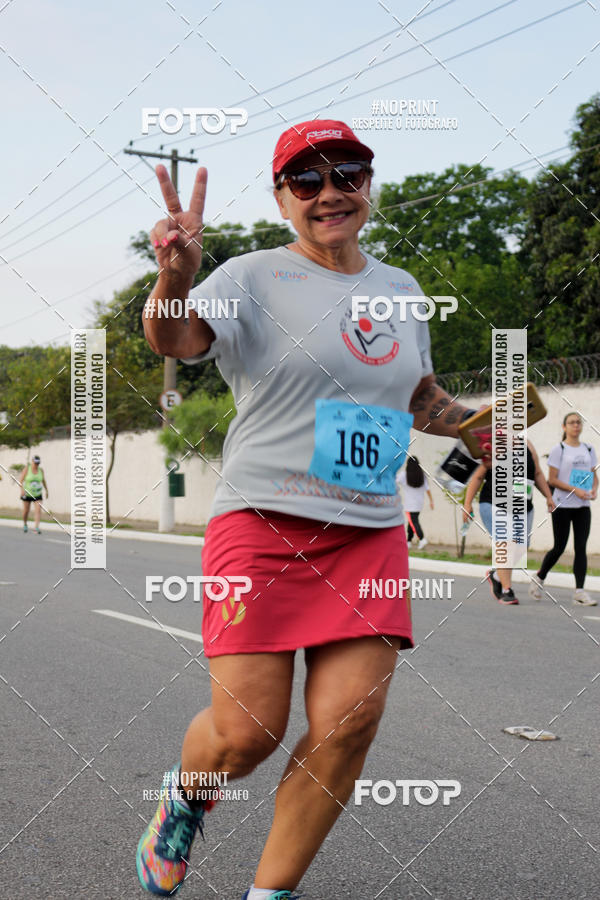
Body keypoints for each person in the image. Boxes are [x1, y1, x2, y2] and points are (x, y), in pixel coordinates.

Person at [137, 119, 483, 899]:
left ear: (368, 183)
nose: (330, 193)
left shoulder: (399, 288)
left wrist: (474, 425)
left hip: (367, 532)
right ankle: (185, 799)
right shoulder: (251, 275)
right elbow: (178, 339)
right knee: (247, 731)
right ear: (282, 197)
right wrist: (174, 274)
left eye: (347, 174)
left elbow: (414, 394)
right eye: (308, 181)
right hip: (262, 522)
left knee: (349, 724)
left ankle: (271, 894)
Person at [463, 441, 555, 604]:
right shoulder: (492, 443)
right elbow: (479, 475)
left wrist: (548, 497)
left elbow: (537, 474)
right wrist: (467, 503)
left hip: (523, 506)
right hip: (494, 502)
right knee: (506, 543)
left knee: (521, 548)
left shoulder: (528, 445)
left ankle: (497, 575)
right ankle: (507, 590)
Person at [529, 412, 598, 606]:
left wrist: (594, 490)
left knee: (581, 548)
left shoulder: (589, 449)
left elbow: (593, 475)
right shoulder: (559, 449)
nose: (576, 425)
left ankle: (579, 592)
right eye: (572, 422)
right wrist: (574, 490)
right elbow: (552, 479)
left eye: (578, 422)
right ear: (564, 427)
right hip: (563, 504)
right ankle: (539, 577)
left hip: (582, 506)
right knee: (559, 547)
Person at [397, 456, 433, 549]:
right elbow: (427, 489)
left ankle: (422, 539)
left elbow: (394, 481)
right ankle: (408, 542)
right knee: (412, 522)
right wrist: (431, 501)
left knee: (413, 523)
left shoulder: (404, 475)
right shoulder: (422, 475)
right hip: (419, 504)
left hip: (409, 505)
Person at [18, 454, 48, 534]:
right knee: (26, 511)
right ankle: (25, 524)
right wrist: (22, 490)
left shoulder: (41, 470)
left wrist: (47, 490)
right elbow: (20, 481)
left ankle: (36, 527)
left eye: (38, 463)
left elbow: (43, 481)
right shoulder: (27, 469)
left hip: (37, 494)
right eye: (35, 463)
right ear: (32, 462)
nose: (36, 465)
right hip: (27, 494)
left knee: (38, 510)